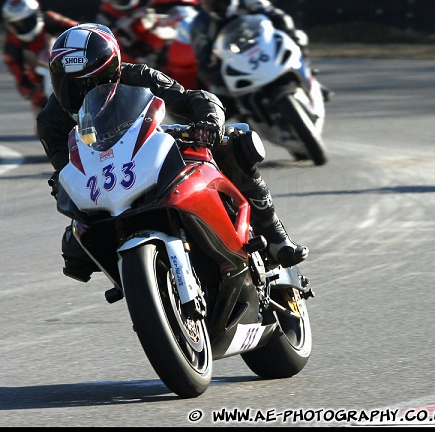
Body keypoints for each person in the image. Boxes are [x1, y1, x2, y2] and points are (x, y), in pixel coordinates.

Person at [37, 23, 308, 283]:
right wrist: (63, 184)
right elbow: (65, 167)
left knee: (235, 141)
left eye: (90, 84)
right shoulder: (51, 121)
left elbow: (192, 98)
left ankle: (275, 236)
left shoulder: (138, 77)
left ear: (113, 72)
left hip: (150, 147)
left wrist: (210, 123)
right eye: (68, 85)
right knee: (76, 241)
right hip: (108, 176)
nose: (80, 94)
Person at [189, 0, 333, 117]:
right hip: (232, 60)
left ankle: (309, 78)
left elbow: (277, 15)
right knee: (216, 92)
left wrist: (288, 32)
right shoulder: (200, 23)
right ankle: (243, 112)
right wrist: (216, 76)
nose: (216, 4)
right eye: (209, 0)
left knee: (299, 37)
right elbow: (202, 58)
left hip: (263, 44)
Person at [94, 0, 200, 71]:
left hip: (156, 35)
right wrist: (142, 58)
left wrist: (196, 3)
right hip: (134, 52)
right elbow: (118, 47)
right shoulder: (105, 16)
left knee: (182, 13)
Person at [2, 0, 79, 119]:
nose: (23, 27)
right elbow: (21, 82)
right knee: (45, 128)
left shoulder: (50, 19)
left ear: (36, 15)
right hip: (40, 84)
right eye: (17, 25)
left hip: (70, 68)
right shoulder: (11, 47)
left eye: (26, 22)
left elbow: (81, 27)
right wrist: (36, 94)